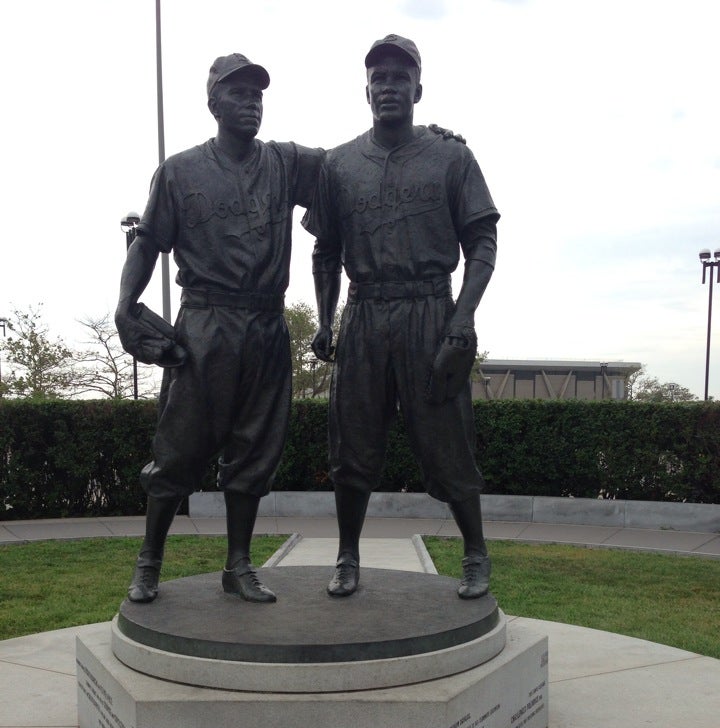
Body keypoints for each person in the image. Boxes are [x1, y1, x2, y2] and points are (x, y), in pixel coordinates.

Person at [115, 53, 323, 605]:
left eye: (258, 93)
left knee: (254, 451)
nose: (251, 101)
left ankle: (238, 565)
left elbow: (351, 164)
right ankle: (149, 563)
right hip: (206, 322)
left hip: (266, 323)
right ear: (214, 103)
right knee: (178, 449)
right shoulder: (180, 171)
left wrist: (421, 138)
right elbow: (149, 242)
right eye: (238, 93)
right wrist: (123, 306)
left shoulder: (283, 162)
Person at [303, 35, 500, 600]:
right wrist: (323, 320)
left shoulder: (451, 156)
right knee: (352, 445)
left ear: (418, 88)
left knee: (448, 441)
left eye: (399, 77)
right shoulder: (339, 164)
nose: (388, 86)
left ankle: (475, 551)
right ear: (366, 91)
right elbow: (325, 251)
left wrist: (462, 318)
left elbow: (482, 242)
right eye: (378, 78)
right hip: (363, 314)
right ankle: (346, 555)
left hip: (429, 311)